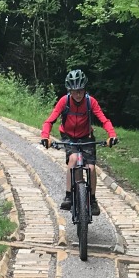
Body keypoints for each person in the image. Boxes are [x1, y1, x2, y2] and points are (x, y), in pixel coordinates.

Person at [39, 69, 118, 215]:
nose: (78, 94)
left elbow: (104, 120)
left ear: (85, 89)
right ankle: (69, 195)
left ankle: (92, 200)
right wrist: (45, 137)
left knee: (91, 168)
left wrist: (112, 135)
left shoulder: (90, 102)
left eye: (80, 90)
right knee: (74, 159)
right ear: (69, 90)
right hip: (68, 136)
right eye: (74, 91)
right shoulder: (64, 101)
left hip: (86, 136)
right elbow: (49, 121)